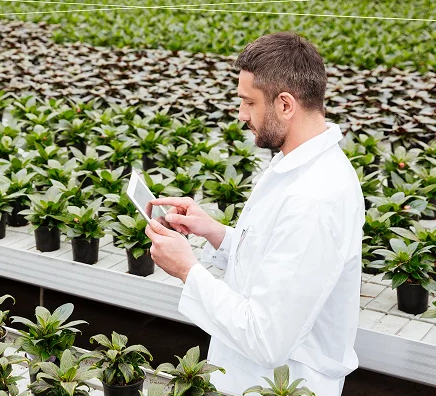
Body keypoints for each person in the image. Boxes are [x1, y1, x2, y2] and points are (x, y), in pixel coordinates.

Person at [145, 32, 364, 396]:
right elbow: (275, 257)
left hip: (283, 383)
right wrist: (214, 232)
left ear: (285, 105)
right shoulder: (294, 165)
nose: (241, 115)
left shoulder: (316, 198)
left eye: (248, 102)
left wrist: (188, 269)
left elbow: (267, 339)